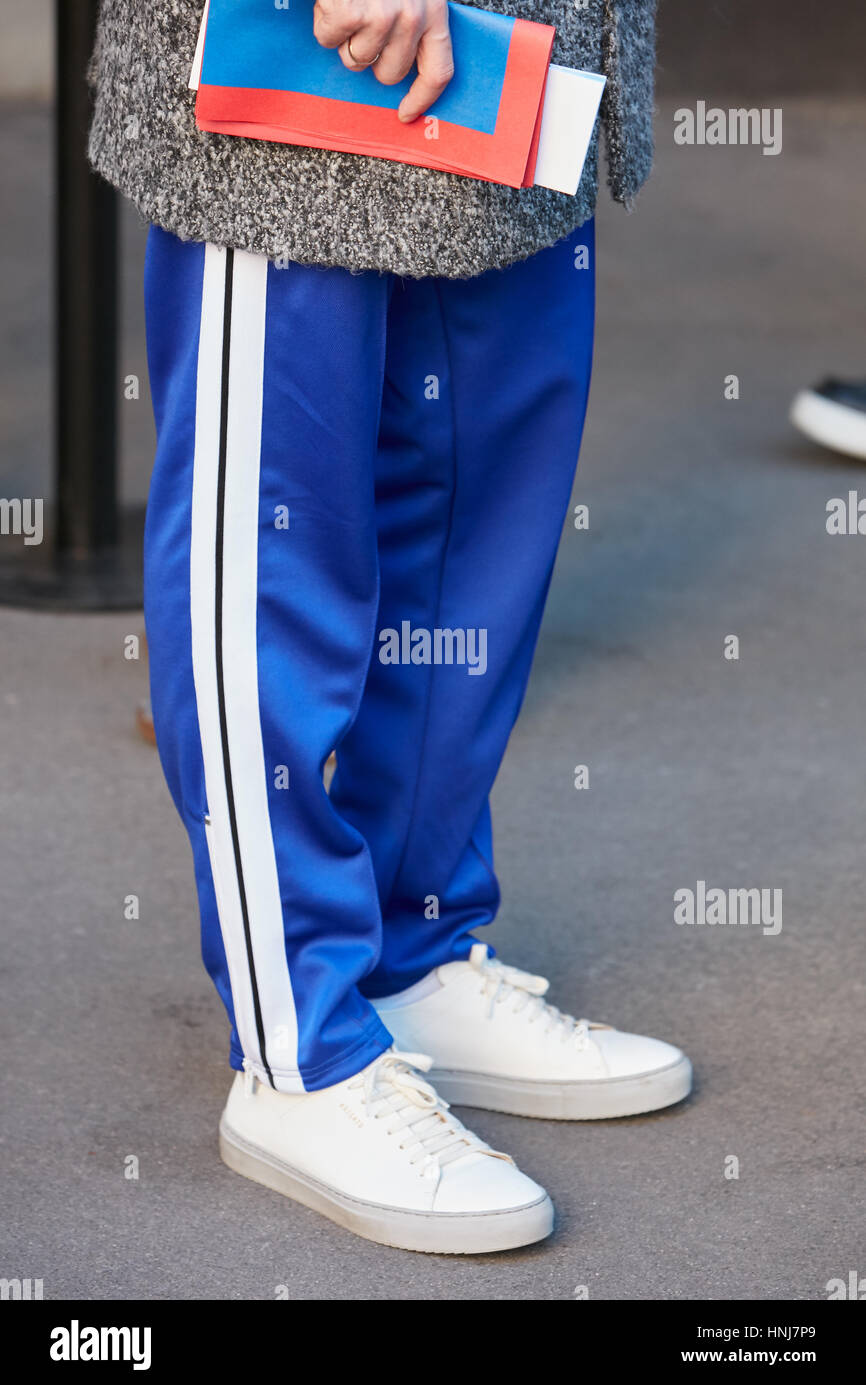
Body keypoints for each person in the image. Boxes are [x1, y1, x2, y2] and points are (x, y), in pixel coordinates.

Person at [88, 0, 691, 1255]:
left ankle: (410, 950)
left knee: (470, 522)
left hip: (512, 58)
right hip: (305, 63)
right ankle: (297, 1044)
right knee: (272, 551)